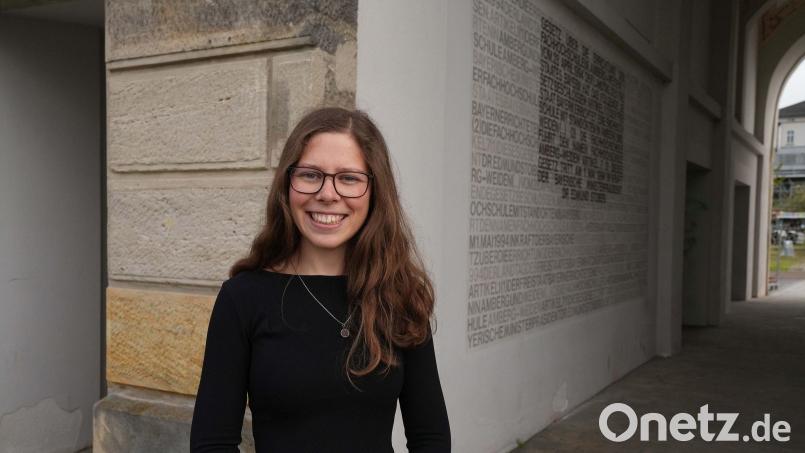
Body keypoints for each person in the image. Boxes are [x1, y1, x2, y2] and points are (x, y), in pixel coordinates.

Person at [189, 107, 451, 452]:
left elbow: (430, 438)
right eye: (311, 175)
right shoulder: (243, 298)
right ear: (288, 183)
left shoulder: (399, 296)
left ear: (375, 191)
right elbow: (212, 443)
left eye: (349, 178)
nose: (328, 193)